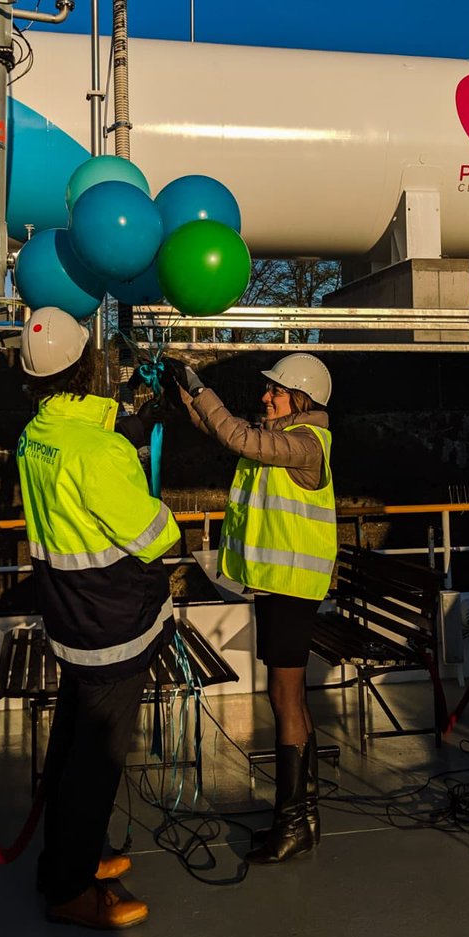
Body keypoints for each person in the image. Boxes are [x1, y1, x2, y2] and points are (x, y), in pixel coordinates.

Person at [17, 306, 181, 929]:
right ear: (87, 364)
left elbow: (82, 432)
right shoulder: (98, 451)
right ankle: (68, 890)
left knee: (70, 745)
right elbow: (153, 535)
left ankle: (69, 858)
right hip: (112, 623)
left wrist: (135, 418)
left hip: (69, 617)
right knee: (96, 760)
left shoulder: (36, 434)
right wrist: (137, 463)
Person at [164, 352, 336, 865]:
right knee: (292, 698)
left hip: (292, 589)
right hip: (281, 587)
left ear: (301, 398)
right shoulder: (285, 439)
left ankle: (292, 824)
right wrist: (185, 394)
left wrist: (202, 388)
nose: (266, 397)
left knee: (284, 700)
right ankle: (304, 816)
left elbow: (237, 437)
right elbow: (220, 428)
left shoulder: (305, 444)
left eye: (276, 391)